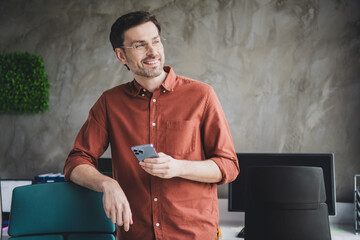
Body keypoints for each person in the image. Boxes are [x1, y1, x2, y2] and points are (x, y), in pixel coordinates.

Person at [64, 11, 239, 240]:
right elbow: (75, 161)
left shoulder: (202, 95)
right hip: (136, 234)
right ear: (121, 55)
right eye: (139, 45)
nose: (152, 51)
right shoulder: (110, 103)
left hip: (194, 235)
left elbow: (228, 166)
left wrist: (179, 167)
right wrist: (107, 184)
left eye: (155, 41)